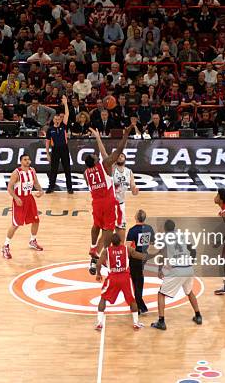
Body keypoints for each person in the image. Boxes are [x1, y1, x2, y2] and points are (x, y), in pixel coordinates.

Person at [85, 125, 133, 275]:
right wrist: (125, 136)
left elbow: (103, 153)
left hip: (96, 203)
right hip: (111, 203)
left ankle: (94, 249)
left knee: (96, 226)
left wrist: (98, 137)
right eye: (95, 157)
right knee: (110, 230)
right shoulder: (105, 165)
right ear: (95, 161)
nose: (97, 156)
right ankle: (106, 257)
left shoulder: (86, 173)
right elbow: (116, 152)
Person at [151, 219, 202, 330]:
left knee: (161, 293)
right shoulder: (182, 234)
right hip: (189, 268)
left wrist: (160, 270)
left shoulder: (164, 238)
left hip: (178, 270)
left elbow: (163, 255)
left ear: (165, 228)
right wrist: (190, 262)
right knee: (189, 292)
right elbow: (192, 249)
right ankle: (198, 315)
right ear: (174, 227)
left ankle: (161, 321)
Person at [94, 233, 147, 331]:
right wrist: (151, 255)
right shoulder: (127, 249)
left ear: (111, 243)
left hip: (113, 277)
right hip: (125, 277)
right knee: (132, 300)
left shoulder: (107, 251)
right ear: (120, 241)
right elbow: (140, 256)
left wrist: (98, 274)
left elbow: (98, 264)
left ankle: (99, 323)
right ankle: (136, 323)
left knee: (103, 298)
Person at [2, 154, 45, 259]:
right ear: (21, 161)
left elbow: (35, 183)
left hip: (29, 199)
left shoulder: (32, 170)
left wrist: (41, 191)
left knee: (36, 220)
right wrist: (16, 198)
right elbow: (9, 188)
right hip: (20, 199)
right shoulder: (16, 173)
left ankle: (32, 240)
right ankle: (5, 245)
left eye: (28, 159)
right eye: (25, 160)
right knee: (16, 224)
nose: (27, 161)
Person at [126, 209, 155, 315]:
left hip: (135, 257)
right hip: (144, 256)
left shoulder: (132, 230)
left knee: (136, 282)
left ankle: (140, 306)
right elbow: (153, 243)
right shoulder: (149, 228)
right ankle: (140, 305)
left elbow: (128, 247)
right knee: (139, 280)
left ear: (136, 218)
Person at [45, 95, 73, 194]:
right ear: (53, 120)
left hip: (64, 149)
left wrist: (65, 103)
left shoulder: (64, 126)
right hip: (55, 149)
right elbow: (47, 142)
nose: (57, 120)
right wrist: (47, 153)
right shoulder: (50, 129)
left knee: (67, 168)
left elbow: (67, 114)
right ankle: (51, 187)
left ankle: (69, 188)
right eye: (55, 119)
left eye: (58, 119)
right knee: (53, 169)